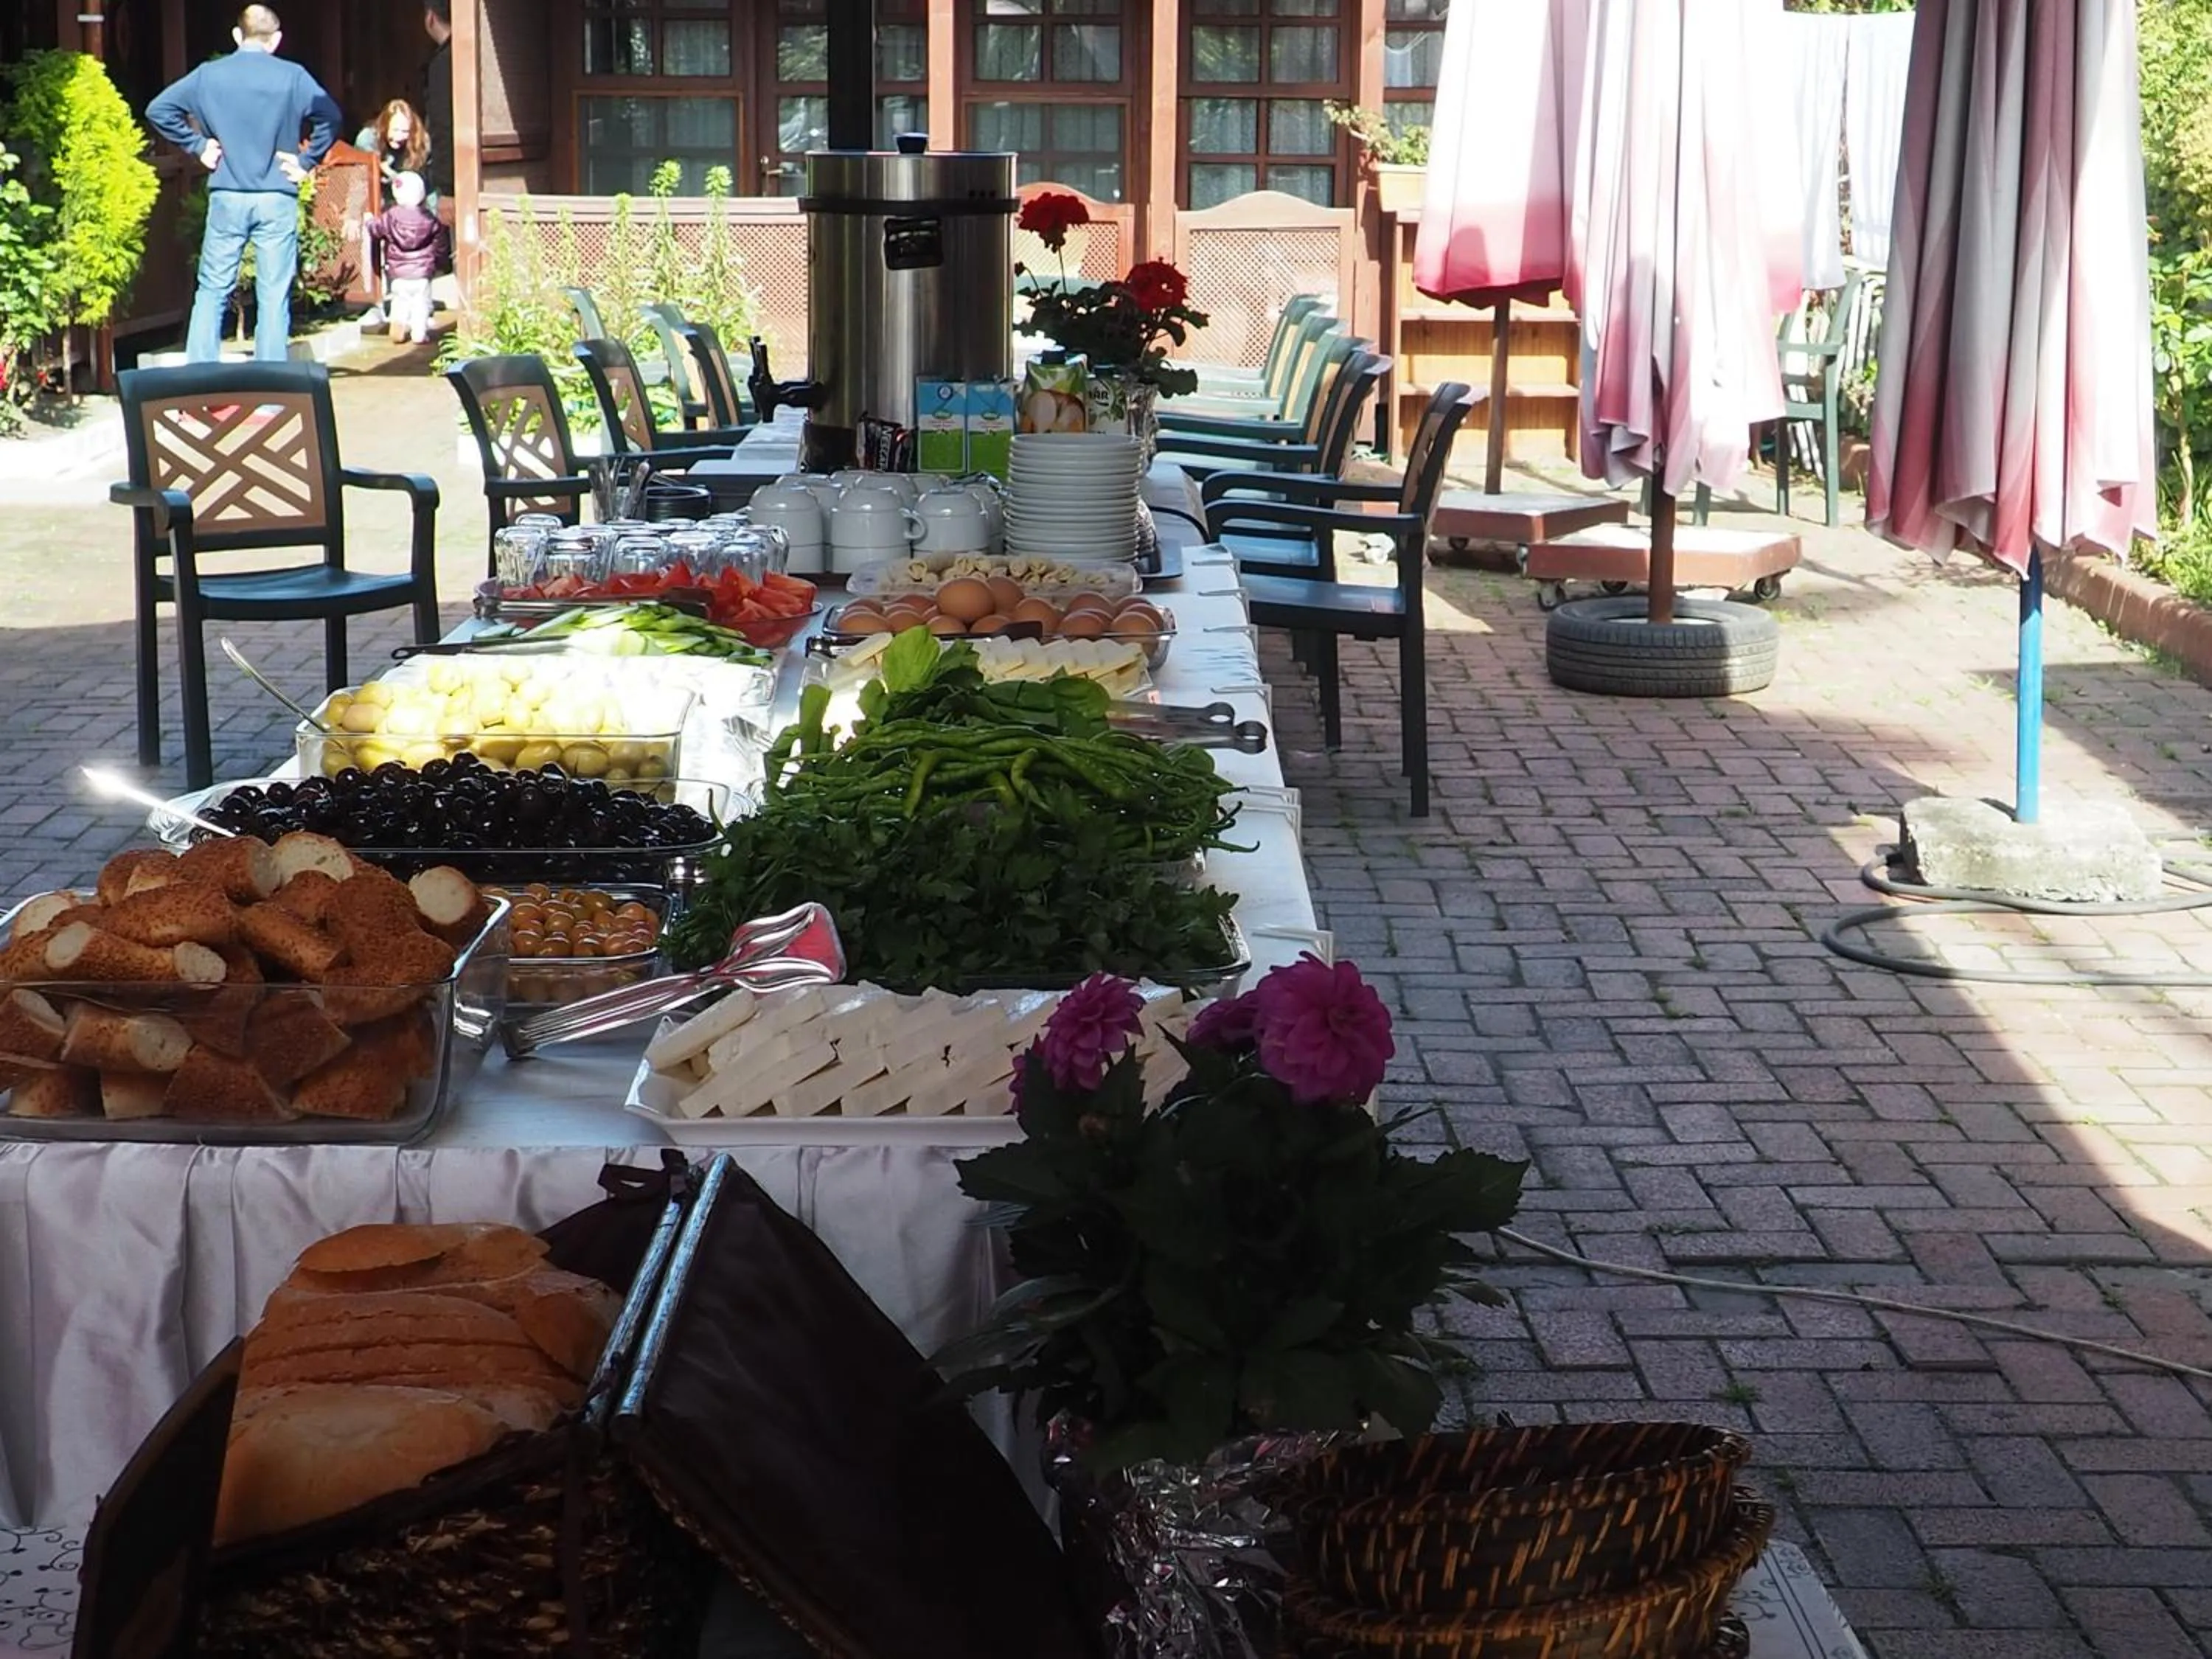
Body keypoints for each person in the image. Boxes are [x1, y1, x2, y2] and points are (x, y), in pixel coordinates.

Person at [147, 4, 341, 364]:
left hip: (228, 194)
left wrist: (198, 146)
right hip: (276, 195)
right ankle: (269, 387)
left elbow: (159, 109)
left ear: (237, 36)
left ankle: (200, 380)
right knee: (273, 294)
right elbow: (330, 116)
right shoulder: (294, 76)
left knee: (211, 290)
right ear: (277, 40)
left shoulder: (208, 75)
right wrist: (305, 161)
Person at [364, 171, 448, 345]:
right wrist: (439, 262)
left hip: (398, 272)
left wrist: (369, 221)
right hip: (422, 273)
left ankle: (399, 325)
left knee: (399, 301)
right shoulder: (430, 220)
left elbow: (376, 230)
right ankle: (419, 333)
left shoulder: (391, 216)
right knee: (421, 304)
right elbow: (440, 245)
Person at [356, 98, 431, 193]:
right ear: (385, 126)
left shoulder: (421, 142)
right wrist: (381, 167)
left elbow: (426, 186)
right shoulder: (367, 139)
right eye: (395, 130)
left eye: (405, 131)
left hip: (407, 196)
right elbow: (359, 181)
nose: (399, 137)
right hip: (371, 193)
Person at [420, 1, 455, 201]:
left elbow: (443, 125)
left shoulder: (444, 62)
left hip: (455, 179)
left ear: (430, 18)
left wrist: (448, 189)